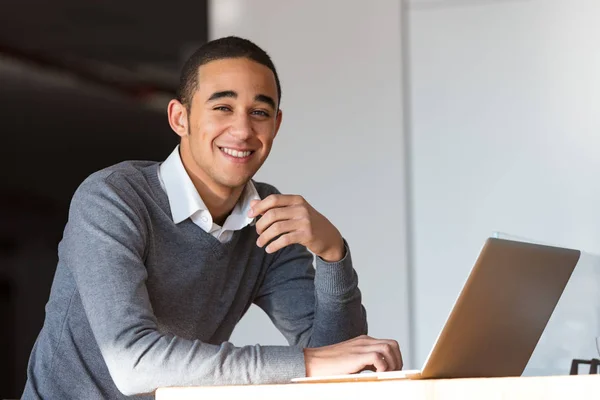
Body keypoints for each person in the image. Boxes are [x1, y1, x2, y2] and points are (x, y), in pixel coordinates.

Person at [22, 36, 402, 399]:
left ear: (276, 125)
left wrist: (333, 254)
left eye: (259, 112)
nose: (242, 130)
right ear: (180, 118)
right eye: (223, 107)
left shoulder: (268, 219)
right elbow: (132, 362)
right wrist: (305, 363)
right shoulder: (113, 197)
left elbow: (342, 368)